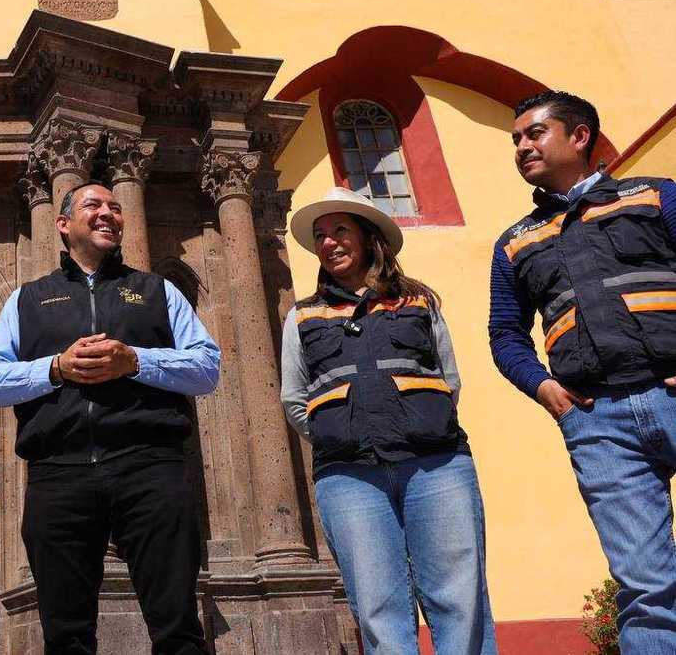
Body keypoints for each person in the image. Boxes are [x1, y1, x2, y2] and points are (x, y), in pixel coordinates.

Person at [0, 180, 220, 655]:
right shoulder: (26, 299)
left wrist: (137, 362)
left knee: (178, 627)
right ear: (63, 225)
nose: (108, 213)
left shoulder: (156, 291)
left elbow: (207, 367)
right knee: (65, 635)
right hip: (58, 474)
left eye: (115, 206)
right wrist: (55, 368)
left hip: (150, 467)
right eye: (94, 205)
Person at [489, 90, 676, 652]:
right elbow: (505, 335)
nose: (522, 146)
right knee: (646, 589)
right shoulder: (515, 243)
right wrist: (546, 389)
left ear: (579, 136)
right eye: (516, 139)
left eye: (534, 133)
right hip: (599, 424)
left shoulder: (655, 196)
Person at [281, 187, 496, 654]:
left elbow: (448, 377)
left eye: (340, 230)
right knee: (378, 608)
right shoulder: (302, 316)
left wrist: (420, 420)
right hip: (348, 476)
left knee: (459, 600)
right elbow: (295, 400)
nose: (329, 242)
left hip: (437, 466)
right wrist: (336, 434)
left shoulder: (418, 301)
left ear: (368, 237)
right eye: (320, 235)